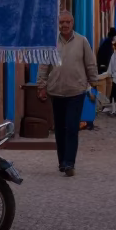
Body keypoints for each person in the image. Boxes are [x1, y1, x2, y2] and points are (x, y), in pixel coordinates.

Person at [38, 10, 98, 176]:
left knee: (72, 127)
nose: (64, 25)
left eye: (67, 22)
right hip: (56, 92)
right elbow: (44, 66)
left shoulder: (82, 41)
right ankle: (62, 161)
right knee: (60, 128)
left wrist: (93, 81)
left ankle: (69, 163)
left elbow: (90, 63)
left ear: (72, 23)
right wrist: (41, 86)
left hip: (76, 91)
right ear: (58, 24)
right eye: (61, 22)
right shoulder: (51, 43)